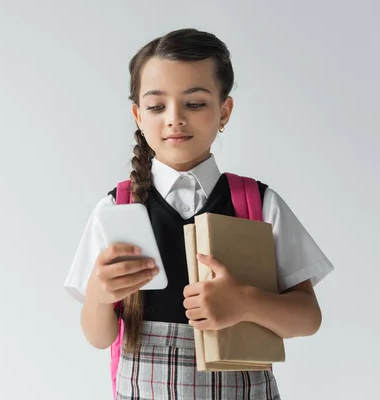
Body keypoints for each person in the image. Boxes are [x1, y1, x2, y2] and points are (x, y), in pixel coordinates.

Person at [63, 28, 334, 399]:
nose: (174, 118)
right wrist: (98, 294)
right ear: (138, 115)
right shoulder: (117, 209)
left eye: (194, 103)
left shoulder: (256, 202)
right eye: (157, 106)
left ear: (225, 111)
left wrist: (244, 302)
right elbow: (99, 337)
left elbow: (308, 318)